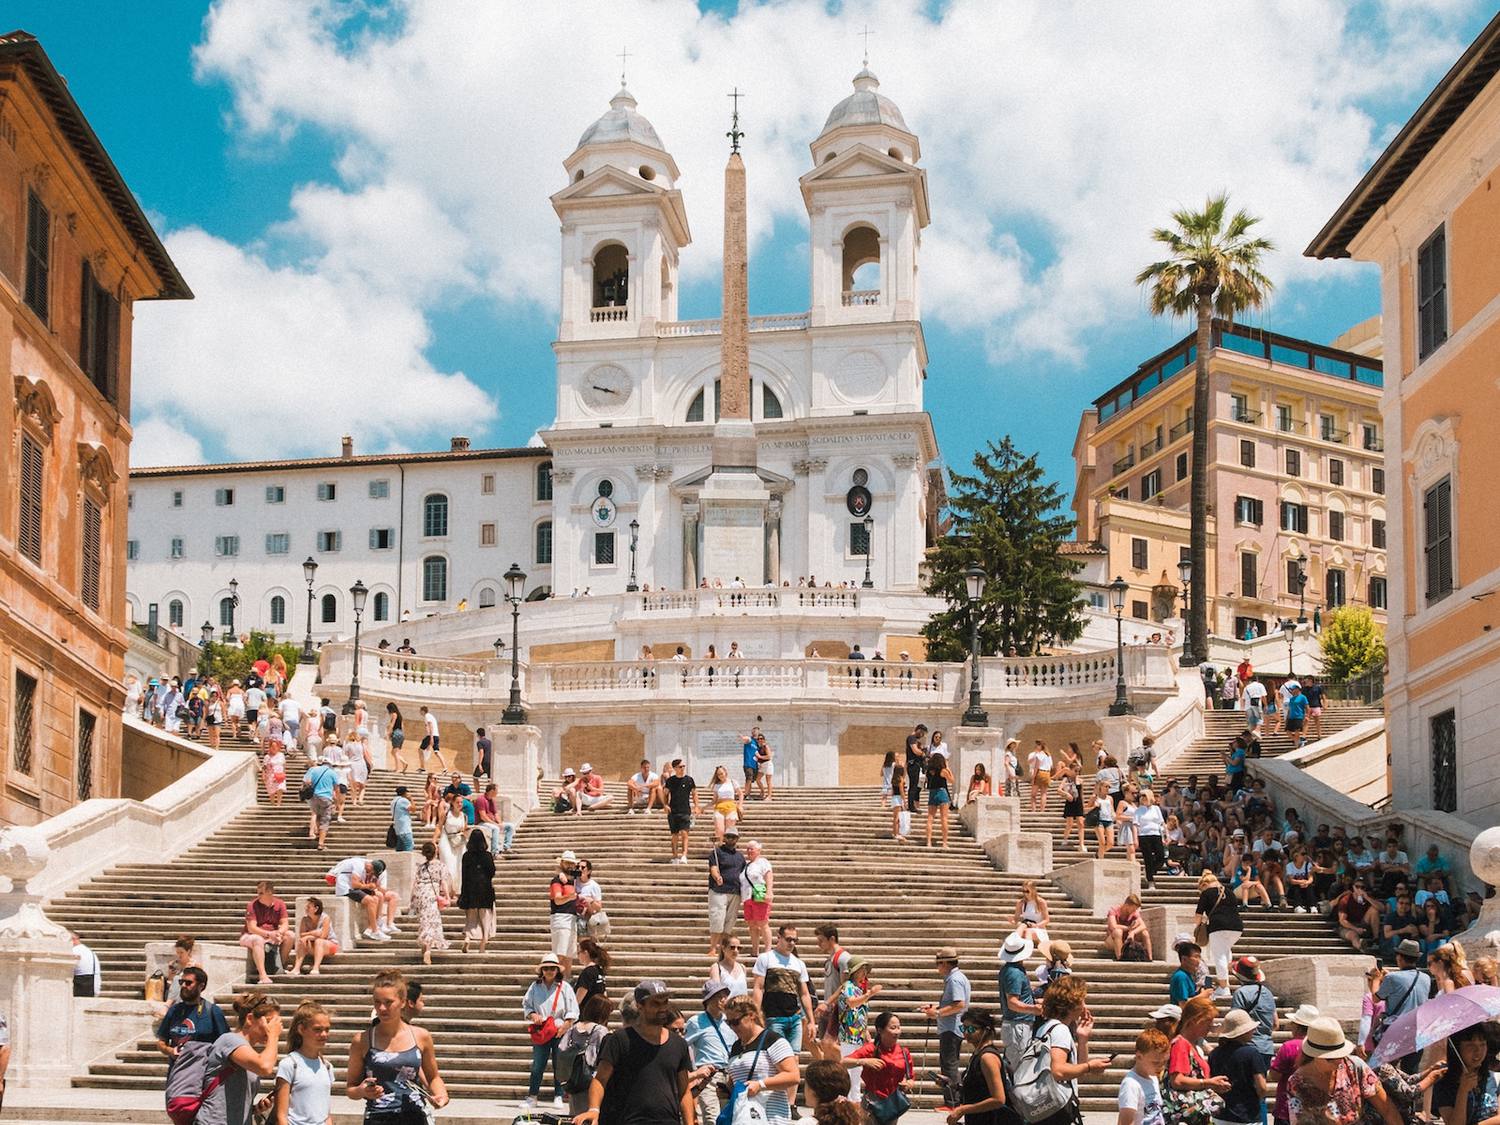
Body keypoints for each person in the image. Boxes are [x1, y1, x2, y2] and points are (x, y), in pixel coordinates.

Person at [575, 980, 693, 1125]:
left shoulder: (678, 1044)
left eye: (665, 1002)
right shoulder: (620, 1040)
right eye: (656, 1003)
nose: (662, 1008)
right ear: (640, 1006)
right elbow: (600, 1079)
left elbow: (684, 1091)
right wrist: (594, 1109)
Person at [348, 969, 448, 1123]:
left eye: (388, 1002)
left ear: (402, 1002)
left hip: (415, 1116)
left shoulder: (421, 1036)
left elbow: (433, 1077)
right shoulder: (362, 1040)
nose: (381, 1008)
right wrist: (362, 1091)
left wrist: (441, 1095)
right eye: (377, 1002)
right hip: (378, 1117)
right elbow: (351, 1088)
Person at [1285, 1017, 1400, 1125]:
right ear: (1314, 1056)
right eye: (1331, 1059)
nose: (1339, 1062)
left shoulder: (1355, 1066)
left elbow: (1387, 1109)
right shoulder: (1296, 1083)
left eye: (1341, 1055)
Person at [196, 992, 282, 1125]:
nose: (272, 1028)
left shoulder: (248, 1052)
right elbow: (265, 1067)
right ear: (249, 1019)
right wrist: (274, 1036)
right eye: (269, 1021)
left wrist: (254, 1109)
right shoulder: (229, 1040)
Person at [1035, 975, 1109, 1125]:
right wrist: (1090, 1066)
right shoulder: (1060, 1030)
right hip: (1057, 1110)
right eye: (1082, 1000)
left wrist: (1082, 1039)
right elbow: (1058, 1071)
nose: (1084, 1005)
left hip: (1047, 1107)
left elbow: (1076, 1070)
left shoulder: (1046, 1027)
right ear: (1073, 1004)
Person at [722, 994, 801, 1125]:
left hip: (771, 1118)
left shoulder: (772, 1040)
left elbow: (793, 1076)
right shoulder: (736, 1046)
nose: (732, 1027)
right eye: (728, 1023)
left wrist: (761, 1085)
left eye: (736, 1022)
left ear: (751, 1015)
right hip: (744, 1118)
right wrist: (727, 1089)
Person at [522, 953, 580, 1110]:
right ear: (542, 970)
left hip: (559, 1030)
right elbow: (527, 1005)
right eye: (546, 968)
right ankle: (532, 1096)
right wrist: (533, 1015)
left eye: (552, 968)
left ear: (557, 970)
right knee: (537, 1065)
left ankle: (559, 1095)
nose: (549, 971)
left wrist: (566, 1026)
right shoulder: (534, 987)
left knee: (559, 1065)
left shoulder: (565, 987)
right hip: (542, 1030)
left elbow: (573, 1009)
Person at [942, 1008, 1016, 1125]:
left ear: (985, 1030)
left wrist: (963, 1109)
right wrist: (952, 1085)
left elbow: (998, 1099)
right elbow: (978, 1090)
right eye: (964, 1028)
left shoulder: (987, 1058)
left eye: (971, 1029)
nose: (966, 1033)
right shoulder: (978, 1054)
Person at [1164, 994, 1232, 1122]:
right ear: (1196, 1020)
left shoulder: (1190, 1044)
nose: (1211, 1025)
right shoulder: (1181, 1044)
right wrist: (1208, 1083)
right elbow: (1177, 1080)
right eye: (1209, 1020)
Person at [753, 924, 815, 1054]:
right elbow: (758, 987)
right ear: (779, 938)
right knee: (778, 1056)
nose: (792, 943)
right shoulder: (766, 958)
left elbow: (804, 993)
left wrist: (811, 1021)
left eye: (794, 940)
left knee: (795, 1056)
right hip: (774, 1016)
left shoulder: (799, 963)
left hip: (795, 1017)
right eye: (788, 939)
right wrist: (756, 1013)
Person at [921, 947, 971, 1104]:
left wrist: (936, 1013)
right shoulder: (958, 977)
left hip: (951, 1028)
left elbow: (959, 1004)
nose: (937, 967)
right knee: (950, 1064)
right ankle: (953, 1100)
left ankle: (952, 1102)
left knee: (949, 1066)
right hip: (953, 1027)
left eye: (938, 963)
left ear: (944, 963)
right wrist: (936, 1009)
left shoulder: (954, 979)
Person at [847, 1012, 917, 1123]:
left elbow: (911, 1077)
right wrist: (863, 1061)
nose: (897, 1032)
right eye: (893, 1028)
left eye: (898, 1028)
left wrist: (908, 1083)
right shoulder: (871, 1049)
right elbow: (844, 1062)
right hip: (873, 1102)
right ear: (880, 1030)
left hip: (893, 1103)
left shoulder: (904, 1052)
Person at [271, 1000, 332, 1125]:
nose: (324, 1034)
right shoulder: (289, 1064)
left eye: (327, 1029)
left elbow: (326, 1113)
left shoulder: (327, 1067)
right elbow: (281, 1116)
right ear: (301, 1029)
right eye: (317, 1029)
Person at [1374, 939, 1433, 1062]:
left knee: (1388, 1071)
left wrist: (1375, 980)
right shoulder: (1426, 978)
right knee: (1411, 1070)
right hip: (1416, 1031)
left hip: (1396, 1031)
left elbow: (1375, 998)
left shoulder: (1392, 978)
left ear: (1400, 957)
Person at [684, 980, 734, 1125]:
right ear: (708, 1000)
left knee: (728, 1118)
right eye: (718, 996)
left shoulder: (730, 1021)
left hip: (729, 1074)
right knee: (712, 1118)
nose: (723, 999)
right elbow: (683, 1045)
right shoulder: (696, 1022)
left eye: (725, 995)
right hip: (709, 1076)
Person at [1207, 1008, 1268, 1124]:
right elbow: (1262, 1087)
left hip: (1220, 1115)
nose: (1253, 1031)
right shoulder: (1252, 1053)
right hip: (1246, 1115)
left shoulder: (1214, 1053)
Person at [558, 995, 615, 1117]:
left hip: (574, 1078)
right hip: (590, 1080)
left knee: (574, 1114)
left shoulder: (574, 1028)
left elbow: (562, 1048)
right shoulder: (600, 1030)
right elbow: (594, 1057)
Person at [1433, 1023, 1498, 1125]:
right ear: (1457, 1048)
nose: (1478, 1051)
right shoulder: (1443, 1085)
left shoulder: (1492, 1078)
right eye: (1470, 1045)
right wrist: (1463, 1091)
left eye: (1482, 1044)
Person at [1267, 1004, 1319, 1125]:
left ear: (1297, 1026)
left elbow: (1275, 1076)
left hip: (1288, 1107)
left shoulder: (1289, 1046)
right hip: (1314, 1107)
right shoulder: (1319, 1047)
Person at [997, 934, 1041, 1073]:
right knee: (1018, 1068)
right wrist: (1034, 1009)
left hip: (1017, 1025)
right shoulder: (1014, 973)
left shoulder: (1012, 970)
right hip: (1018, 1025)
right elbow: (1012, 1002)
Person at [1195, 871, 1243, 997]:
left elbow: (1198, 916)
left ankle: (1223, 987)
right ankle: (1226, 976)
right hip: (1236, 927)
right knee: (1225, 950)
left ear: (1205, 884)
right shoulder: (1229, 892)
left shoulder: (1206, 894)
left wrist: (1199, 925)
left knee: (1219, 955)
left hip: (1218, 926)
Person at [813, 924, 855, 1064]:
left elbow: (846, 986)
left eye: (821, 940)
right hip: (829, 1010)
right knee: (825, 1046)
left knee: (829, 1044)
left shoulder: (843, 958)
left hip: (838, 1010)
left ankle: (855, 1062)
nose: (818, 944)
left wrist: (827, 1002)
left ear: (831, 939)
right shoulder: (830, 959)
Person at [239, 882, 295, 985]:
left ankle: (279, 966)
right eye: (258, 893)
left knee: (290, 935)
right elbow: (252, 928)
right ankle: (262, 975)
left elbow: (285, 924)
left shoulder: (280, 904)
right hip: (250, 936)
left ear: (269, 893)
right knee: (257, 939)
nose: (258, 896)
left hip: (270, 934)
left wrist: (279, 933)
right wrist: (269, 934)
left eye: (261, 893)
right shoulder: (252, 905)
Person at [1117, 1027, 1170, 1125]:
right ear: (1139, 1056)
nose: (1161, 1067)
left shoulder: (1153, 1078)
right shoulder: (1131, 1084)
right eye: (1156, 1063)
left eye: (1164, 1062)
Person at [411, 841, 451, 966]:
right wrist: (448, 896)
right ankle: (427, 951)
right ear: (436, 852)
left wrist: (411, 899)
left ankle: (424, 947)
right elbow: (443, 883)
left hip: (420, 894)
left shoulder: (421, 867)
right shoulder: (441, 866)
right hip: (431, 894)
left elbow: (415, 882)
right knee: (430, 921)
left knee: (424, 920)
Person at [709, 828, 747, 957]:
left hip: (735, 891)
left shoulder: (740, 856)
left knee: (729, 922)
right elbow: (713, 868)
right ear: (724, 838)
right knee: (717, 919)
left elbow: (743, 873)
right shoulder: (716, 852)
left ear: (737, 839)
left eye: (733, 837)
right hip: (719, 890)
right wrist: (716, 877)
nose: (731, 839)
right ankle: (713, 948)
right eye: (729, 836)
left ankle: (722, 949)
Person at [457, 828, 495, 955]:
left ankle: (467, 937)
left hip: (470, 890)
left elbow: (464, 875)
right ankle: (482, 946)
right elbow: (492, 872)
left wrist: (463, 892)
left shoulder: (466, 856)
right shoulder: (487, 855)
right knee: (485, 919)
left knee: (471, 919)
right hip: (485, 890)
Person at [289, 897, 338, 976]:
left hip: (329, 945)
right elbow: (301, 935)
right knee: (302, 941)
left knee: (319, 941)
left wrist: (308, 936)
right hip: (312, 946)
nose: (306, 908)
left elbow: (324, 936)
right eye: (306, 907)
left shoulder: (325, 918)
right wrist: (313, 933)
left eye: (308, 907)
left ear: (316, 908)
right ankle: (296, 968)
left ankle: (316, 968)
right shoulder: (305, 920)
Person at [743, 840, 775, 956]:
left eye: (752, 849)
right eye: (748, 849)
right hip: (747, 897)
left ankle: (768, 949)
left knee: (762, 923)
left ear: (759, 850)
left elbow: (768, 876)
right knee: (752, 924)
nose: (749, 851)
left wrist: (769, 892)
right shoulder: (747, 865)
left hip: (759, 896)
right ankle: (754, 950)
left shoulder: (763, 862)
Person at [664, 758, 699, 865]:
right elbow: (665, 793)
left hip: (685, 810)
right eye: (680, 767)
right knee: (674, 835)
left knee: (684, 834)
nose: (682, 768)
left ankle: (684, 855)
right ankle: (674, 856)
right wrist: (665, 804)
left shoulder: (689, 780)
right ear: (675, 768)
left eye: (684, 766)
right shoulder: (670, 781)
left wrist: (696, 806)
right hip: (673, 811)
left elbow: (694, 793)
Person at [550, 851, 581, 973]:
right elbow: (557, 900)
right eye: (567, 863)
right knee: (560, 953)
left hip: (572, 920)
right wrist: (569, 897)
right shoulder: (557, 881)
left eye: (572, 863)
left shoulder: (573, 880)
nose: (570, 866)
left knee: (569, 955)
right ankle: (552, 978)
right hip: (561, 918)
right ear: (562, 863)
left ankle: (566, 981)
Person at [1137, 790, 1167, 889]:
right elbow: (1135, 824)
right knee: (1148, 858)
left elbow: (1161, 823)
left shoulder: (1156, 809)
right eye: (1142, 797)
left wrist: (1165, 835)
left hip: (1156, 834)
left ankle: (1149, 871)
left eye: (1145, 796)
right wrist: (1135, 838)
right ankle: (1150, 881)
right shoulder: (1139, 810)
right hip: (1144, 835)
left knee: (1161, 857)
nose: (1143, 798)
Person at [1106, 895, 1152, 961]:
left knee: (1145, 933)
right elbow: (1113, 926)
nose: (1134, 911)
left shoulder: (1134, 913)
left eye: (1135, 909)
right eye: (1133, 909)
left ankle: (1149, 958)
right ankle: (1120, 958)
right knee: (1118, 931)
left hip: (1127, 939)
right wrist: (1128, 928)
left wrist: (1133, 932)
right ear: (1127, 905)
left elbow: (1143, 926)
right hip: (1112, 940)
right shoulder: (1114, 910)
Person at [926, 750, 955, 848]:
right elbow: (952, 780)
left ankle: (928, 842)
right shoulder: (943, 771)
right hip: (942, 792)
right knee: (944, 818)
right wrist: (948, 767)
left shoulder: (929, 772)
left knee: (930, 818)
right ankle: (944, 842)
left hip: (932, 793)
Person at [1170, 939, 1210, 1006]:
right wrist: (1202, 995)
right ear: (1184, 959)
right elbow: (1183, 1004)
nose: (1198, 961)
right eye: (1196, 957)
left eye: (1199, 957)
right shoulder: (1181, 976)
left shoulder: (1189, 975)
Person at [710, 765, 743, 844]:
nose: (721, 775)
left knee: (729, 831)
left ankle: (728, 850)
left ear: (725, 772)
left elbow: (740, 794)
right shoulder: (716, 785)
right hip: (719, 807)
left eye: (722, 773)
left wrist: (740, 805)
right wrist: (703, 807)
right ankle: (720, 848)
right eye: (718, 774)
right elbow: (714, 800)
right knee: (719, 830)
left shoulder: (733, 782)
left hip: (731, 806)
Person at [574, 938, 611, 1006]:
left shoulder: (587, 972)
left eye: (578, 953)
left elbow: (578, 999)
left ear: (585, 953)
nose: (577, 956)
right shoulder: (599, 970)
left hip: (586, 1013)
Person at [1013, 881, 1051, 946]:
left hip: (1039, 930)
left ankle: (1025, 948)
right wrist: (1013, 921)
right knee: (1024, 929)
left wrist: (1036, 925)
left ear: (1033, 890)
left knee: (1027, 932)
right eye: (1023, 891)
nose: (1025, 893)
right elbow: (1016, 919)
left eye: (1027, 891)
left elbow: (1047, 920)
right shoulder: (1021, 903)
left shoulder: (1041, 902)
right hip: (1026, 928)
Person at [905, 725, 928, 812]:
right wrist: (923, 753)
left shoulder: (914, 739)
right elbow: (915, 750)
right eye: (922, 733)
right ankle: (911, 806)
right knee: (913, 786)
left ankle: (911, 805)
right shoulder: (911, 738)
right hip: (913, 765)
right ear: (919, 730)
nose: (922, 735)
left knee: (914, 786)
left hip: (915, 765)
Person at [1028, 741, 1053, 813]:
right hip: (1047, 774)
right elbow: (1051, 766)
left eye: (1037, 745)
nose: (1035, 747)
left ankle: (1034, 811)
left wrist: (1033, 777)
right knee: (1044, 793)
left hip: (1040, 773)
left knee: (1033, 794)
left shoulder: (1039, 754)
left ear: (1041, 746)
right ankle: (1042, 811)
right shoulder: (1048, 755)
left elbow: (1036, 766)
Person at [416, 706, 443, 772]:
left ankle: (422, 767)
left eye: (420, 711)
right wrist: (428, 744)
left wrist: (431, 738)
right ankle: (445, 768)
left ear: (423, 711)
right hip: (435, 735)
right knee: (437, 752)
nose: (419, 712)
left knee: (420, 750)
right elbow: (428, 729)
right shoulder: (430, 716)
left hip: (432, 736)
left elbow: (430, 726)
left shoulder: (427, 716)